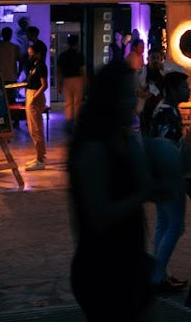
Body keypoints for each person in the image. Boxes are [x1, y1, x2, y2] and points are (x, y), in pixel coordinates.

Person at [67, 61, 160, 322]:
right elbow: (99, 215)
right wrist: (143, 194)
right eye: (127, 94)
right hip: (102, 268)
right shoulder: (93, 148)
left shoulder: (123, 139)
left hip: (128, 261)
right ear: (108, 99)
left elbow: (144, 185)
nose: (133, 101)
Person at [147, 71, 191, 293]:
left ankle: (160, 273)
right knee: (175, 226)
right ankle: (157, 275)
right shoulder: (168, 113)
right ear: (173, 90)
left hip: (160, 175)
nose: (189, 90)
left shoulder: (164, 110)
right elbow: (168, 147)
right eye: (185, 87)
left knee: (163, 224)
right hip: (169, 176)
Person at [23, 41, 49, 171]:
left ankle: (40, 160)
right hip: (31, 95)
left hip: (34, 97)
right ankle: (40, 156)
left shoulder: (41, 66)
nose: (30, 55)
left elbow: (44, 85)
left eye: (31, 53)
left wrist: (33, 98)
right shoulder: (35, 64)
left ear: (38, 53)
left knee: (36, 129)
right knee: (34, 129)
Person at [58, 34, 87, 134]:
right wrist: (85, 82)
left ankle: (69, 122)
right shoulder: (79, 55)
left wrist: (58, 84)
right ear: (77, 43)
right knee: (77, 103)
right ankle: (76, 123)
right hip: (77, 80)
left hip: (67, 80)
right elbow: (82, 70)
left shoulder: (63, 55)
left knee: (68, 103)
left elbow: (59, 71)